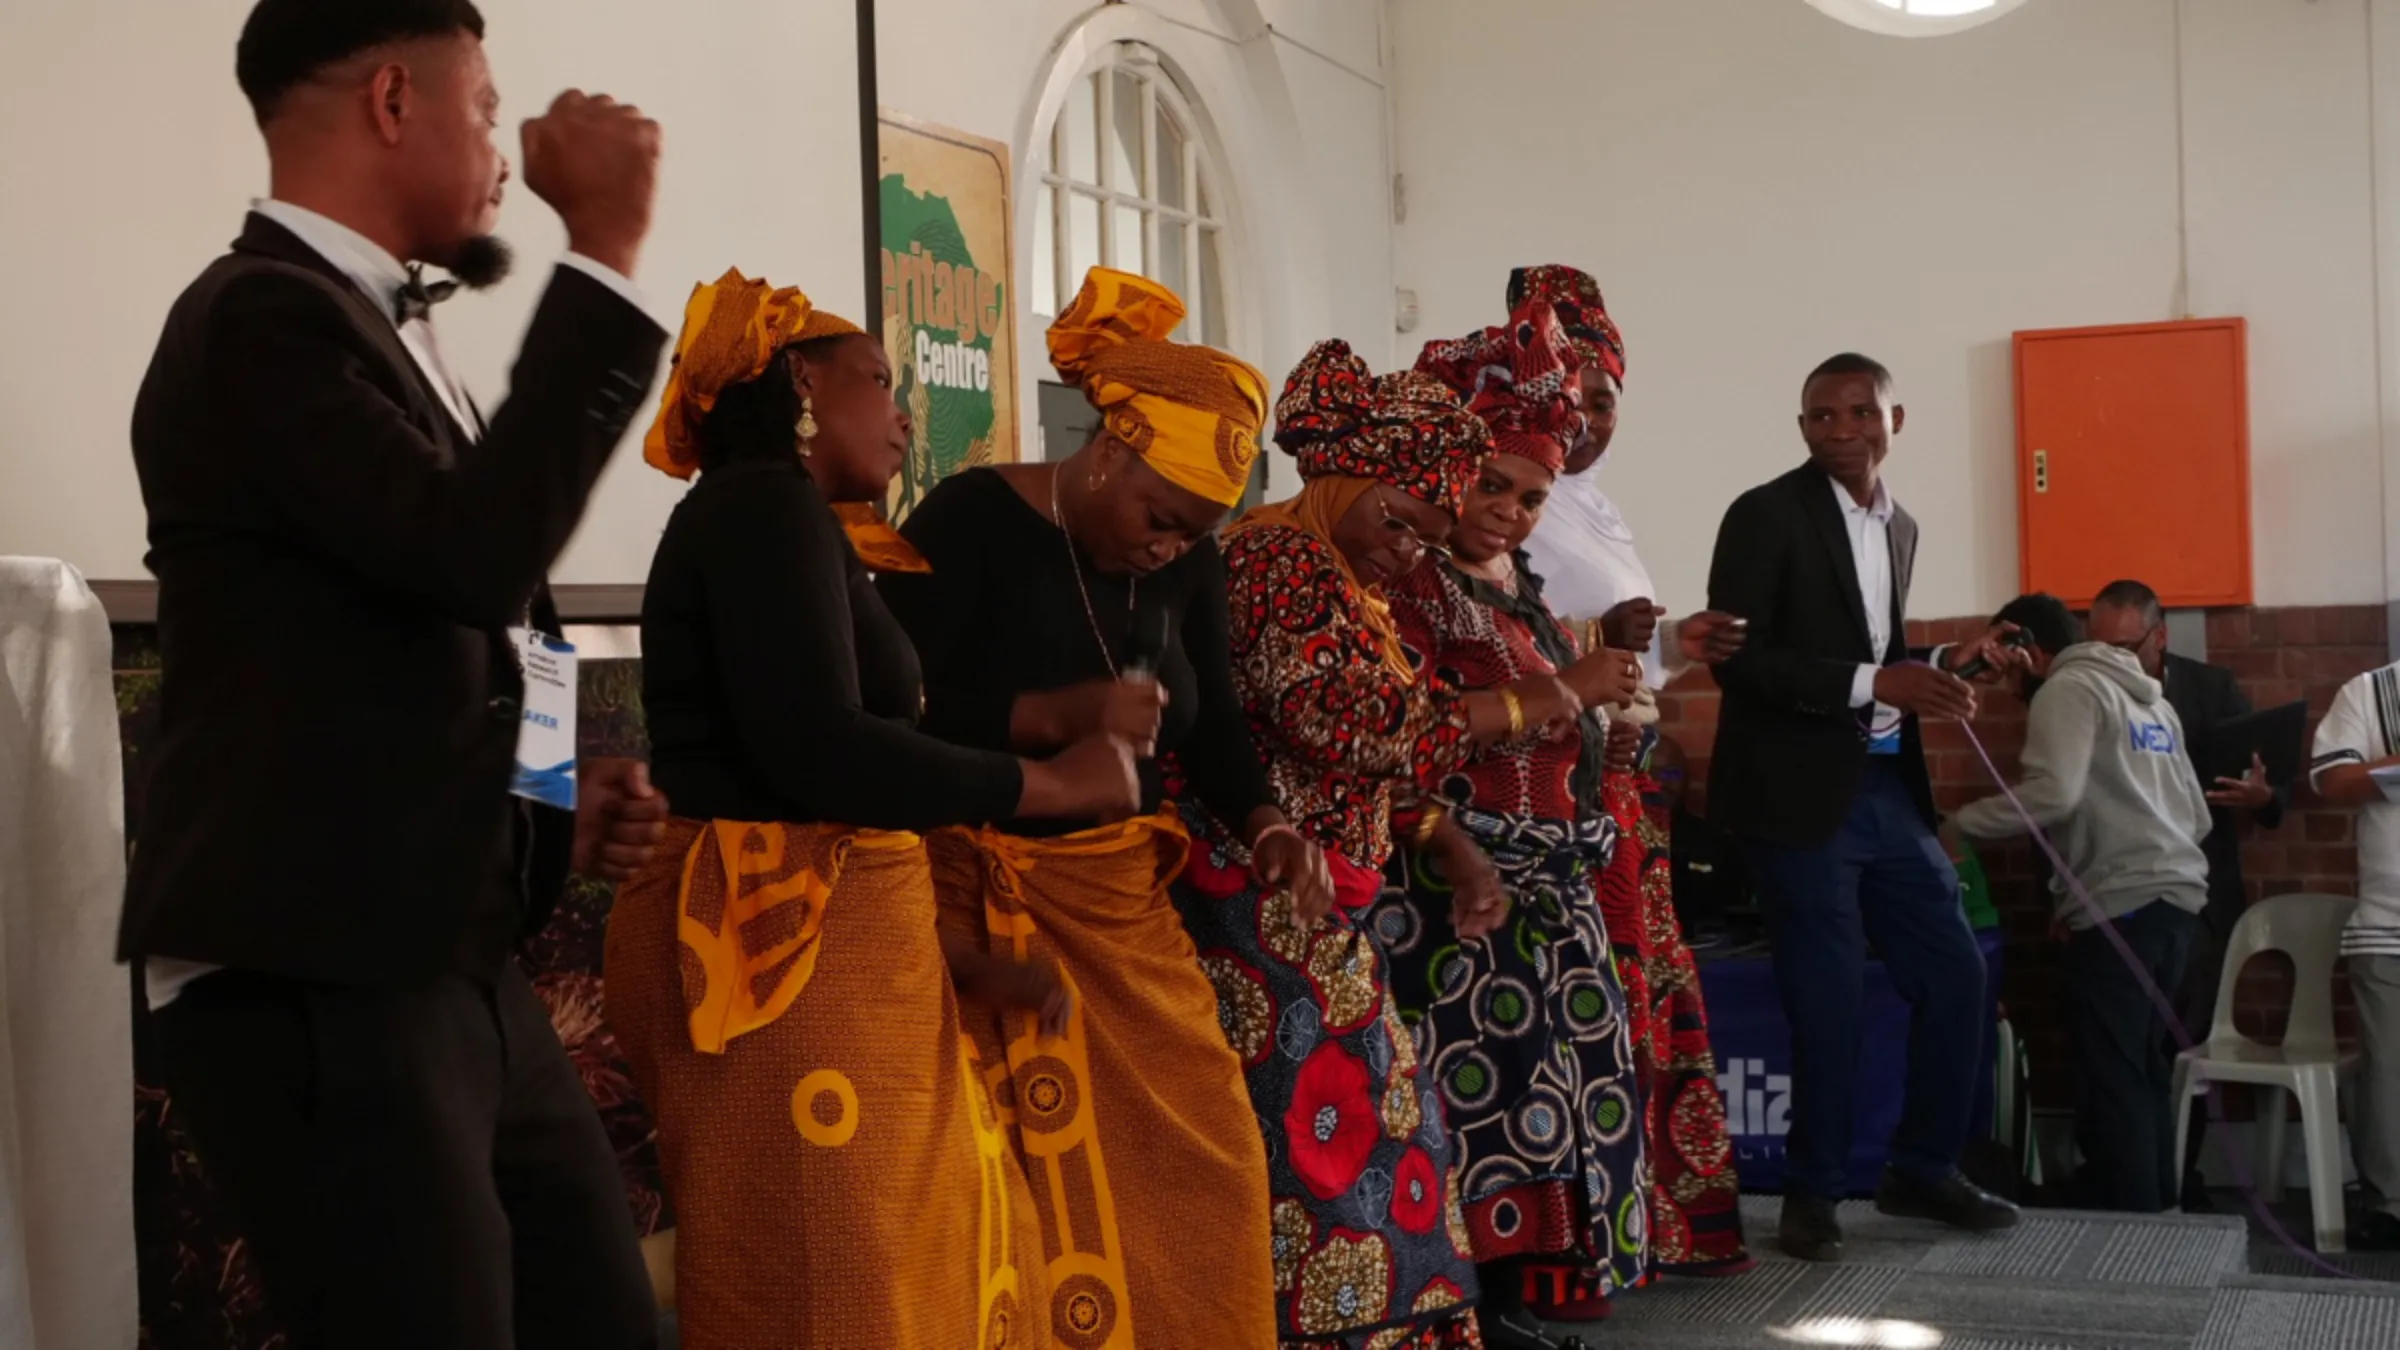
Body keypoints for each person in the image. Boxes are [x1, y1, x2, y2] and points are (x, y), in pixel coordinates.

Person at [119, 4, 674, 1344]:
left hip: (443, 961)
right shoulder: (255, 319)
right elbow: (470, 553)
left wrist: (552, 802)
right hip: (314, 972)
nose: (502, 147)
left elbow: (490, 625)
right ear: (390, 99)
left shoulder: (379, 329)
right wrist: (601, 250)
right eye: (486, 107)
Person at [605, 270, 1140, 1347]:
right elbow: (819, 753)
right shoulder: (763, 504)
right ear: (802, 381)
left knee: (897, 1265)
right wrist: (1050, 782)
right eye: (883, 380)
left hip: (809, 941)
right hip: (765, 951)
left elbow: (826, 779)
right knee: (836, 1282)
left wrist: (953, 954)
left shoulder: (789, 517)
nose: (905, 414)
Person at [876, 266, 1314, 1346]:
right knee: (1008, 1183)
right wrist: (1050, 717)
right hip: (971, 893)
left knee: (1205, 1149)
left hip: (1120, 895)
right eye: (1162, 518)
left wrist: (1265, 823)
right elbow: (888, 716)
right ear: (1108, 450)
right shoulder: (972, 518)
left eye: (1194, 533)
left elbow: (1206, 729)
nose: (1171, 548)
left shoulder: (1184, 559)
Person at [1178, 338, 1603, 1350]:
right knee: (1322, 1145)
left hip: (1318, 898)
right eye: (1398, 522)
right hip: (1263, 897)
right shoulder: (1277, 558)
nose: (1407, 551)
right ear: (1345, 476)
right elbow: (1346, 723)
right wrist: (1544, 696)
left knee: (1366, 1137)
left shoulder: (1334, 569)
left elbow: (1374, 753)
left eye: (1425, 536)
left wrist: (1450, 846)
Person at [1705, 352, 2025, 1263]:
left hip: (1885, 788)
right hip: (1796, 799)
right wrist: (1873, 676)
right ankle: (1812, 1193)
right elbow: (1739, 658)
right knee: (1829, 998)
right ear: (1801, 426)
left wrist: (1944, 665)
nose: (1838, 430)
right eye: (1818, 416)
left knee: (1957, 975)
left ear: (1896, 419)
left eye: (1857, 412)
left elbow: (1875, 652)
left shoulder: (1901, 527)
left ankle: (1920, 1169)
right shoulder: (1764, 513)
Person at [1374, 298, 1650, 1345]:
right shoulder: (1414, 584)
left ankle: (1512, 1312)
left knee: (1548, 1108)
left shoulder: (1521, 587)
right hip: (1455, 890)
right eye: (1490, 484)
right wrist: (1565, 693)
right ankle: (1468, 1314)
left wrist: (1603, 732)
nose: (1509, 510)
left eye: (1532, 496)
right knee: (1472, 1112)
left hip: (1550, 882)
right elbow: (1407, 736)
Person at [1503, 265, 1753, 1277]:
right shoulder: (1514, 497)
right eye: (1571, 396)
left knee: (1638, 996)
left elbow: (1616, 653)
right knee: (1593, 1002)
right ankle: (1582, 1246)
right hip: (1564, 783)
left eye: (1602, 400)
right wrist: (1602, 643)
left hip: (1629, 777)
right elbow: (1508, 643)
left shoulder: (1592, 505)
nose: (1586, 417)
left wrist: (1673, 640)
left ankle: (1650, 1225)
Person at [1952, 592, 2210, 1213]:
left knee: (2114, 1072)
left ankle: (2130, 1222)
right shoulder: (2154, 702)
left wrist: (1960, 823)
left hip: (2123, 906)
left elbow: (2055, 794)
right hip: (2177, 905)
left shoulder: (2069, 689)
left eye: (2002, 661)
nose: (2000, 679)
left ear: (2026, 649)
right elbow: (2197, 816)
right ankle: (2155, 1204)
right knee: (2142, 1066)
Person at [2083, 578, 2285, 1210]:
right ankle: (2124, 1180)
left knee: (2179, 1047)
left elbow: (2271, 788)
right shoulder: (2083, 690)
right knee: (2118, 1050)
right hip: (2111, 895)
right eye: (2098, 646)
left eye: (2124, 646)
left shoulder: (2209, 689)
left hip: (2198, 897)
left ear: (2159, 636)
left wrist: (2263, 797)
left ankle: (2180, 1176)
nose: (2110, 659)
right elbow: (2063, 802)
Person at [2306, 659, 2400, 1250]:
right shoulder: (2370, 692)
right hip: (2389, 923)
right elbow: (2332, 783)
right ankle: (2390, 1206)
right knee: (2388, 1074)